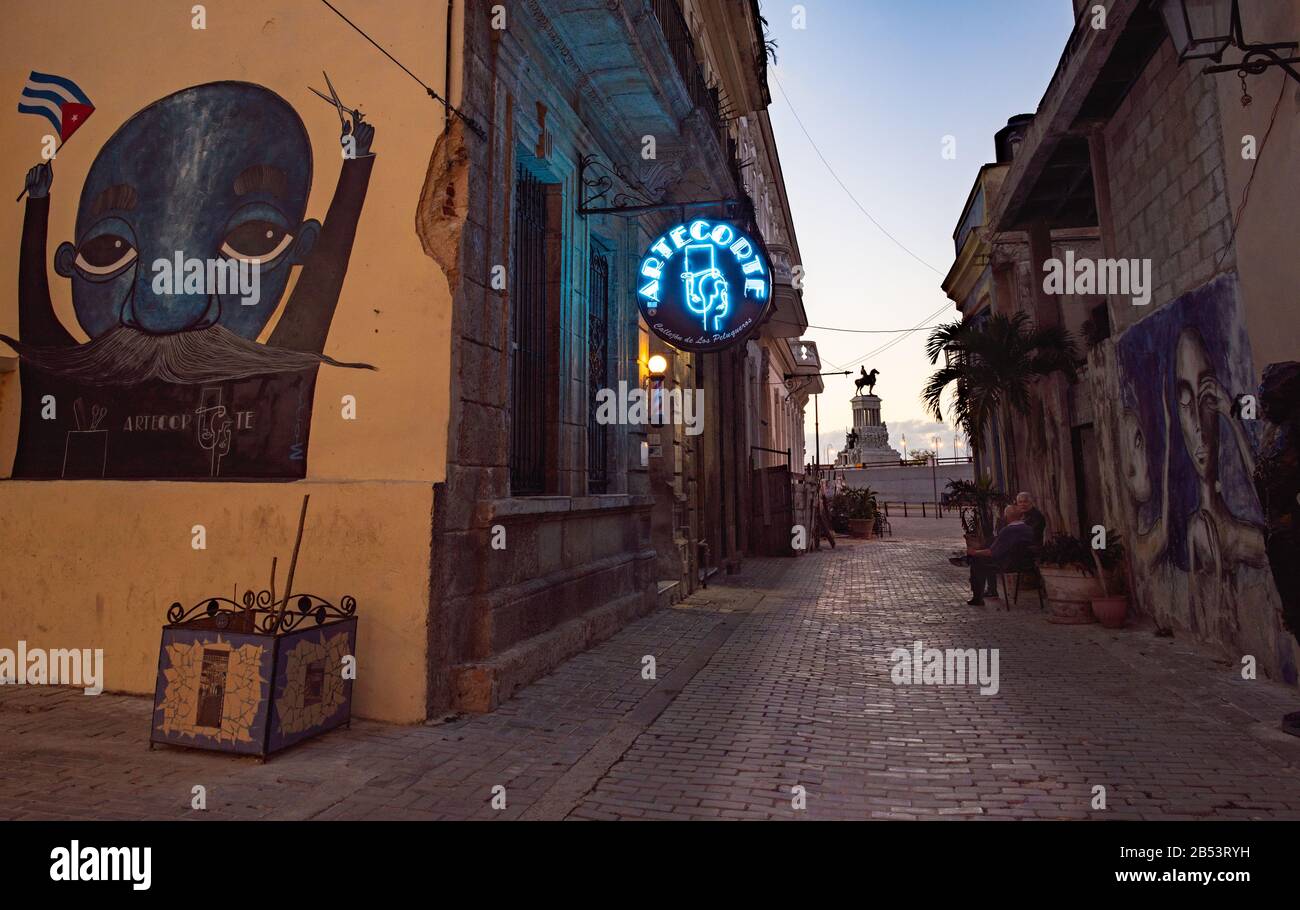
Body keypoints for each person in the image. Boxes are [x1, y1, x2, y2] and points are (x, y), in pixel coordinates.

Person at [965, 506, 1036, 606]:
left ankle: (978, 598)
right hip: (1025, 564)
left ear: (1007, 517)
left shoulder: (1007, 531)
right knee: (986, 558)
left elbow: (992, 552)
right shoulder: (1029, 529)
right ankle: (991, 591)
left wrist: (974, 552)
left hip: (1007, 564)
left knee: (977, 561)